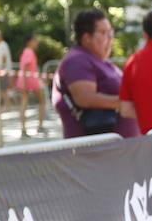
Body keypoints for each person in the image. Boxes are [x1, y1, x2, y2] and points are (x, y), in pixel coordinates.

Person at [52, 9, 139, 138]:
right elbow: (85, 98)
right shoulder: (77, 60)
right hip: (95, 151)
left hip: (115, 148)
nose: (110, 37)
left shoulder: (99, 61)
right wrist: (125, 102)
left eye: (111, 32)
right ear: (86, 37)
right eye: (104, 32)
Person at [14, 33, 47, 137]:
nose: (36, 42)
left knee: (25, 103)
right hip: (29, 80)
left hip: (26, 79)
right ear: (29, 41)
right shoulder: (29, 51)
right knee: (41, 101)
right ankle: (39, 126)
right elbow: (25, 68)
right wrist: (24, 83)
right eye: (35, 40)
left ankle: (24, 129)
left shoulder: (26, 51)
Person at [0, 30, 13, 107]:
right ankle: (5, 105)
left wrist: (2, 70)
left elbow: (4, 59)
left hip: (3, 71)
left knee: (3, 90)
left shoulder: (2, 45)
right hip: (1, 71)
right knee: (2, 90)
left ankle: (7, 105)